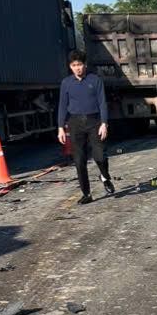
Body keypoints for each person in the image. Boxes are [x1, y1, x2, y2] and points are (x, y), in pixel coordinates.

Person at [57, 50, 114, 204]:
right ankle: (86, 194)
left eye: (80, 64)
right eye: (74, 65)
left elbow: (102, 102)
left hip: (94, 122)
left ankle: (105, 176)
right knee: (79, 160)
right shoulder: (66, 83)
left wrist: (104, 123)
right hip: (75, 124)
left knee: (100, 156)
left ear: (85, 65)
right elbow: (62, 106)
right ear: (70, 66)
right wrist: (60, 127)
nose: (77, 68)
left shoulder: (95, 80)